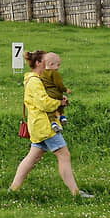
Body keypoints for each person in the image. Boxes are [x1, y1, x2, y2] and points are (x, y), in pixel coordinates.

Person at [9, 50, 93, 198]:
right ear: (38, 63)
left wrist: (58, 99)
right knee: (64, 155)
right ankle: (75, 193)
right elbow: (44, 103)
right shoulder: (35, 81)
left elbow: (47, 97)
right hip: (45, 125)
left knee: (32, 157)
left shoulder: (36, 79)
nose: (48, 65)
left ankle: (13, 190)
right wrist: (59, 103)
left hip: (38, 126)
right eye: (44, 62)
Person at [41, 52, 70, 132]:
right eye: (58, 65)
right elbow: (59, 84)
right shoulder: (54, 73)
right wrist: (65, 89)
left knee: (50, 110)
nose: (58, 67)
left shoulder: (42, 73)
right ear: (51, 64)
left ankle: (53, 123)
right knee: (61, 103)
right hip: (56, 93)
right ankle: (62, 116)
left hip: (48, 94)